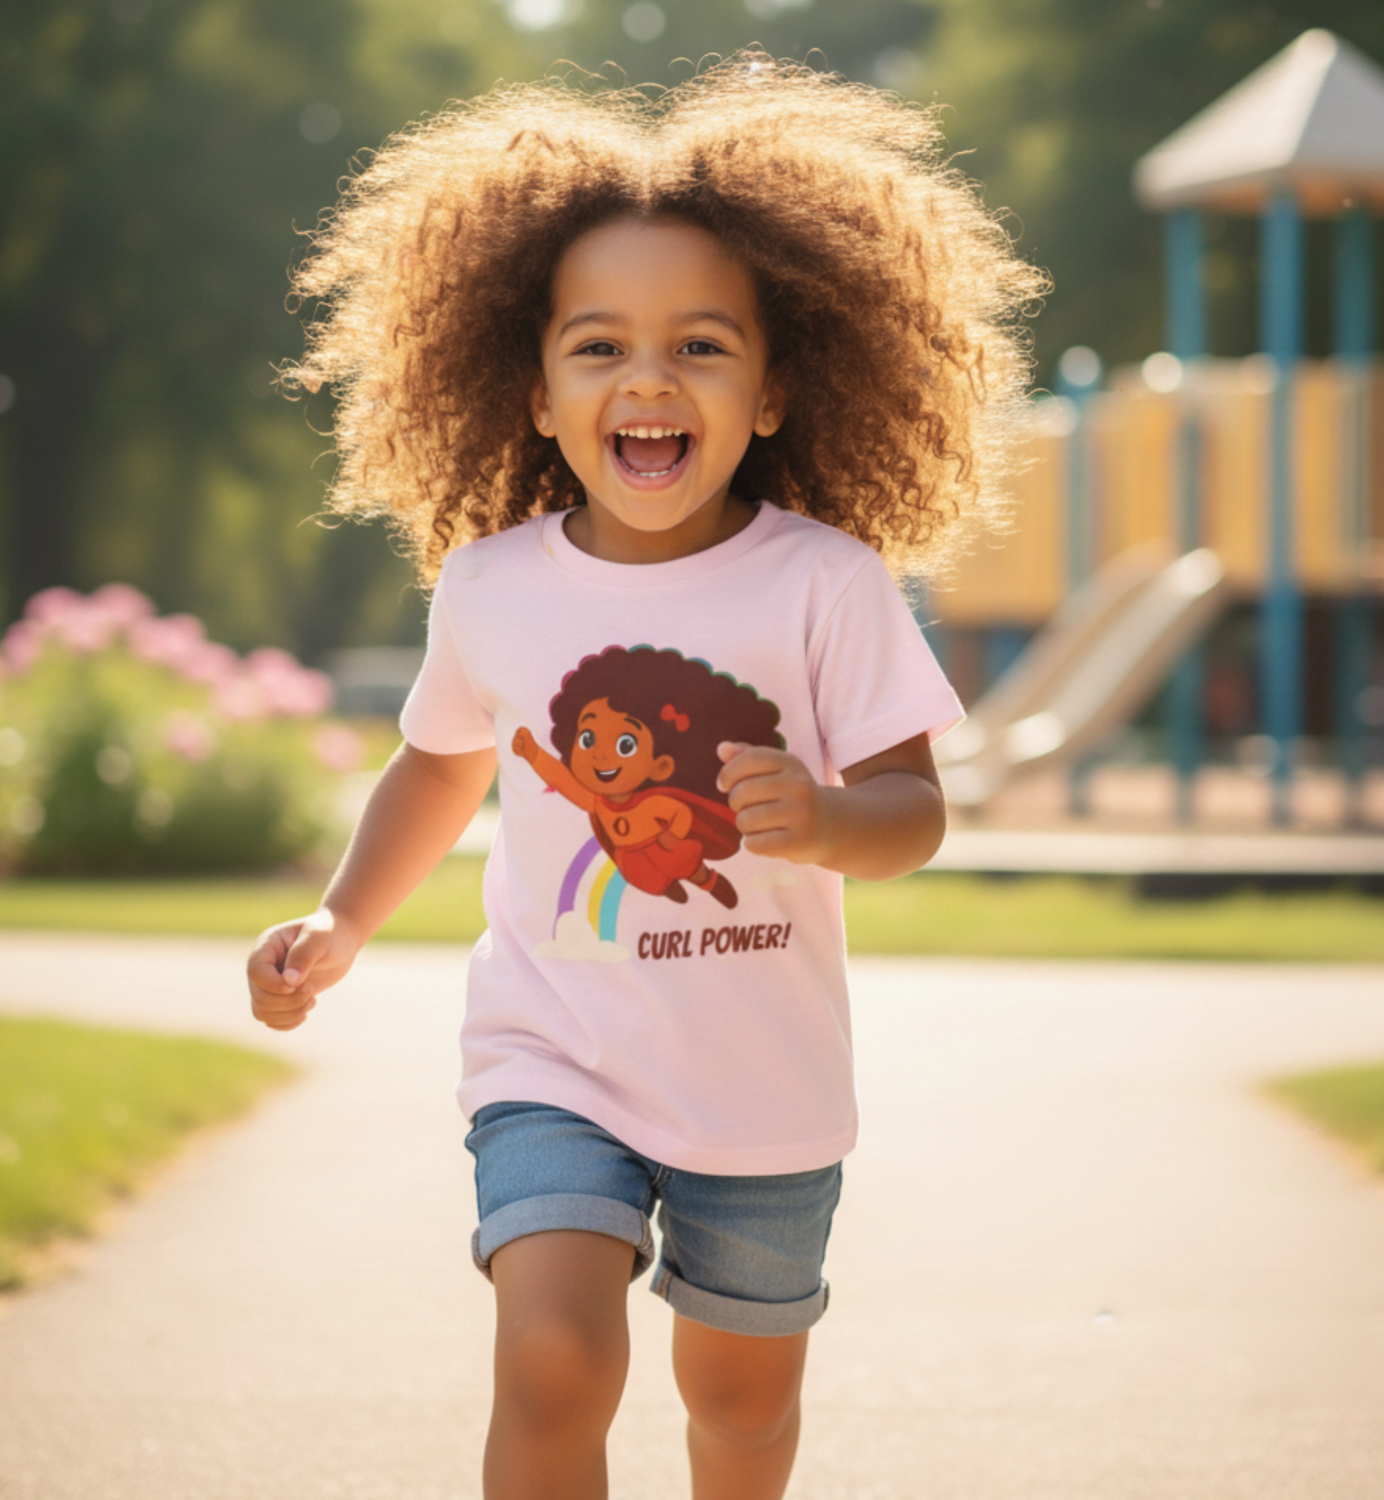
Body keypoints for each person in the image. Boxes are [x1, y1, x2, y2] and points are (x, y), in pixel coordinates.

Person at [246, 53, 1043, 1500]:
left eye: (702, 345)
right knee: (553, 1354)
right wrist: (344, 923)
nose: (650, 380)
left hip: (763, 1084)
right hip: (555, 1058)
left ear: (779, 385)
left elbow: (916, 810)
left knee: (738, 1405)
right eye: (600, 347)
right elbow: (435, 772)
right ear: (537, 394)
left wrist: (828, 820)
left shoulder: (826, 585)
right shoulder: (488, 589)